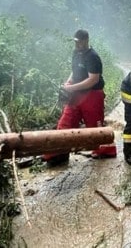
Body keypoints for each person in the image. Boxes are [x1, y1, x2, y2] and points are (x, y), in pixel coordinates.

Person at [42, 29, 116, 166]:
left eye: (80, 42)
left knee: (94, 125)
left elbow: (93, 79)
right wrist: (68, 83)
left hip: (92, 94)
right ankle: (58, 152)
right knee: (66, 121)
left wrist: (72, 88)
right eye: (76, 42)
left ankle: (104, 150)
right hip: (76, 93)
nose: (77, 44)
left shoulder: (93, 57)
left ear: (86, 40)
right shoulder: (76, 53)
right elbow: (74, 70)